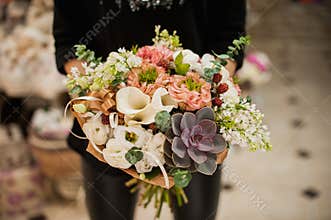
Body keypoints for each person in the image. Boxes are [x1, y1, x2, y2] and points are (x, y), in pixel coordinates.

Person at [53, 1, 246, 219]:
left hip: (195, 130)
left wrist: (207, 92)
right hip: (108, 125)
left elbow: (229, 31)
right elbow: (69, 37)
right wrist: (96, 108)